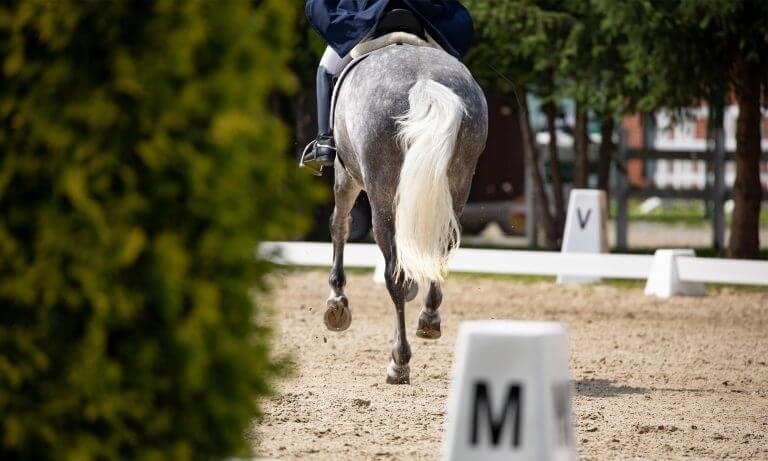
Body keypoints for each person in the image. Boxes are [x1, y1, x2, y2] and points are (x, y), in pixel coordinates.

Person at [301, 0, 474, 169]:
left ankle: (325, 142)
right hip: (419, 15)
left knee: (325, 71)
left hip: (370, 17)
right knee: (454, 68)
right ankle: (465, 136)